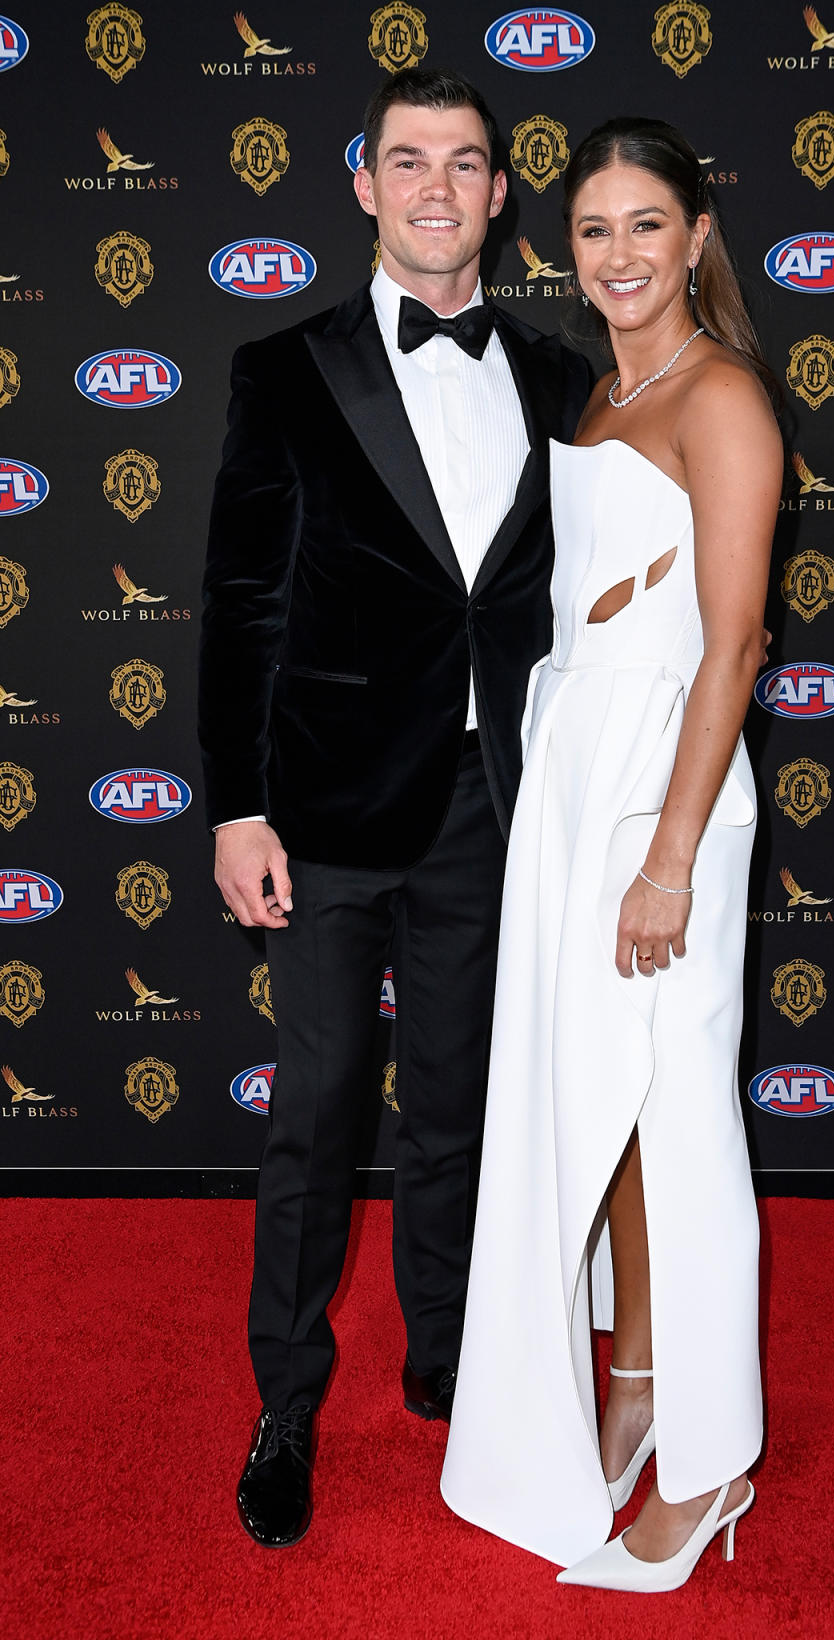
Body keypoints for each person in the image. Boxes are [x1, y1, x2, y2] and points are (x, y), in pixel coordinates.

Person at [198, 68, 592, 1549]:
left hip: (495, 811)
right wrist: (236, 809)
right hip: (322, 815)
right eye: (408, 161)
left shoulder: (562, 377)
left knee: (461, 1112)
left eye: (468, 162)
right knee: (313, 1114)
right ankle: (284, 1401)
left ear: (502, 193)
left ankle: (449, 1364)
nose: (439, 187)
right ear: (364, 185)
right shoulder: (284, 367)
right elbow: (241, 602)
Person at [440, 116, 782, 1592]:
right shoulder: (596, 395)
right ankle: (634, 1381)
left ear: (697, 233)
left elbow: (737, 644)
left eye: (649, 224)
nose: (622, 254)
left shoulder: (724, 402)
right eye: (595, 231)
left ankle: (711, 1468)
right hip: (578, 771)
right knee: (613, 1108)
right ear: (560, 249)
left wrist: (668, 857)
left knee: (680, 1118)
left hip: (667, 785)